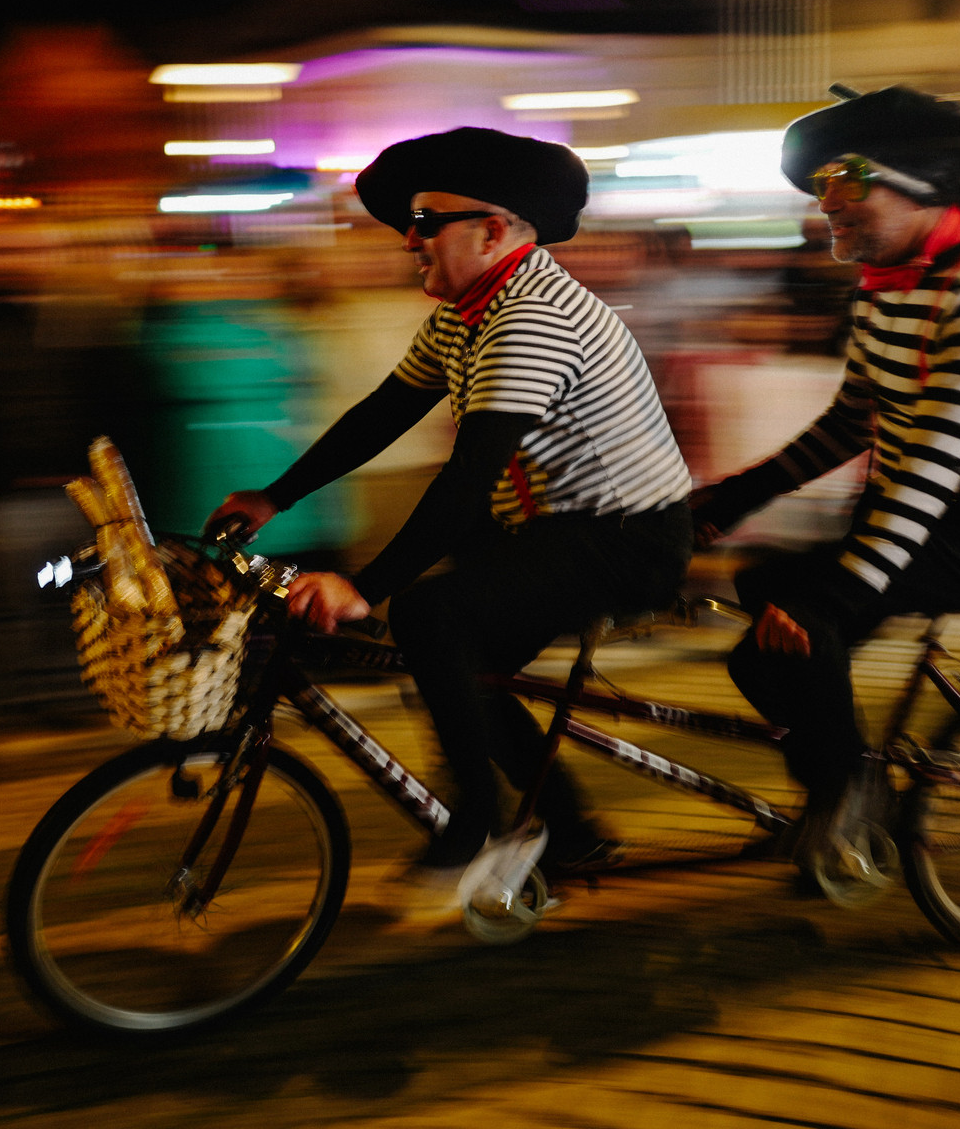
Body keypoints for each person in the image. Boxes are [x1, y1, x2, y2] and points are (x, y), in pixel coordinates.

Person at [210, 127, 693, 876]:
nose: (409, 239)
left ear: (492, 231)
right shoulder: (469, 312)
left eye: (427, 221)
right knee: (456, 663)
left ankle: (479, 826)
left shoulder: (533, 317)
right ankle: (570, 831)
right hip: (550, 528)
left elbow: (469, 476)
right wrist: (274, 498)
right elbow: (383, 413)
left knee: (430, 617)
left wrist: (364, 586)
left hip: (624, 538)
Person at [690, 86, 960, 881]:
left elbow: (937, 464)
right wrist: (724, 502)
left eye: (846, 179)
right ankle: (848, 788)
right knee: (763, 629)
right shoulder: (889, 280)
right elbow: (849, 424)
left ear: (921, 185)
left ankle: (845, 805)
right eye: (820, 185)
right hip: (914, 511)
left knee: (805, 620)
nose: (827, 203)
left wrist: (837, 594)